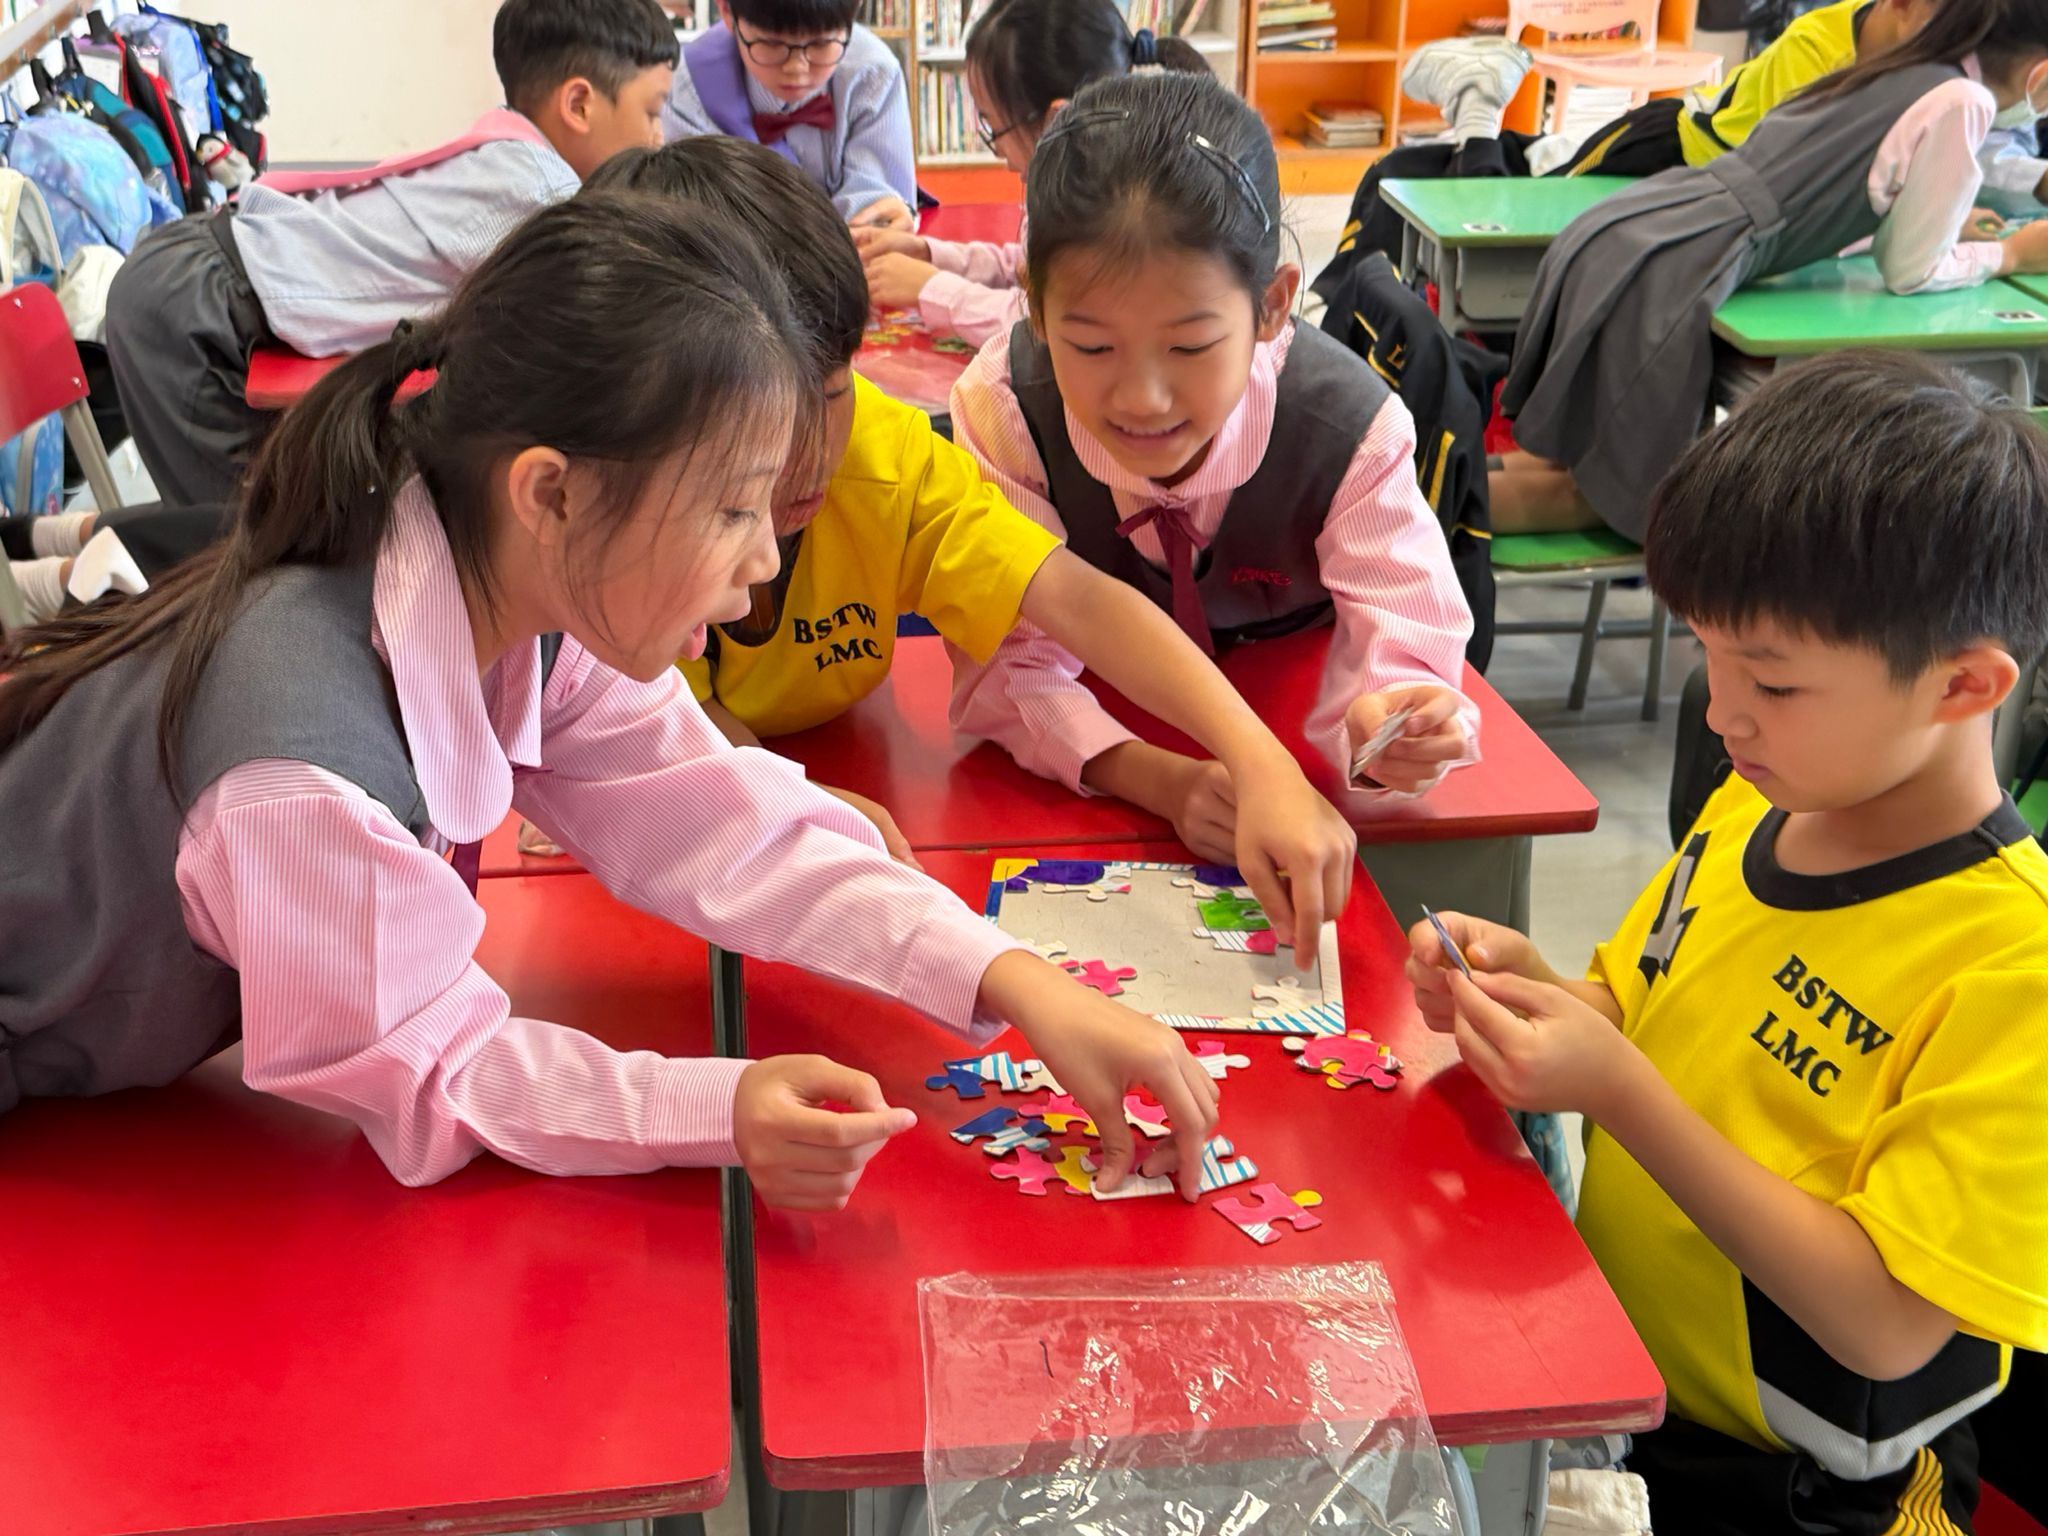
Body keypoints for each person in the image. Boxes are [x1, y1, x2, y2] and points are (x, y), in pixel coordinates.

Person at [0, 193, 1224, 1205]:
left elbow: (728, 821)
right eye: (732, 509)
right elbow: (431, 1068)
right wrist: (716, 1107)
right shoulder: (300, 773)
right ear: (553, 493)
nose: (761, 565)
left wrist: (1018, 980)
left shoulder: (514, 587)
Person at [1411, 350, 2048, 1536]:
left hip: (1811, 1491)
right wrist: (1524, 995)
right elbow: (1636, 1009)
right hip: (1625, 1390)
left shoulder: (2012, 966)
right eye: (1704, 650)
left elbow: (1882, 1325)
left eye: (1773, 682)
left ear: (1962, 685)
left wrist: (1616, 1088)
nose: (1718, 712)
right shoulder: (1754, 802)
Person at [585, 138, 1359, 907]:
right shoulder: (613, 513)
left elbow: (1074, 597)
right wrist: (783, 795)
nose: (805, 453)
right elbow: (662, 724)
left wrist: (1260, 762)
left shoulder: (884, 458)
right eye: (752, 421)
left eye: (829, 393)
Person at [949, 71, 1479, 858]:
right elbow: (1008, 661)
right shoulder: (1005, 409)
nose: (1143, 399)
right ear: (1034, 305)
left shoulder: (1349, 429)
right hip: (1081, 780)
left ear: (1273, 305)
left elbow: (1406, 630)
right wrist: (1161, 780)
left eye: (1191, 346)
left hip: (1303, 767)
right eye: (1091, 346)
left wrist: (1395, 720)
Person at [1500, 0, 2048, 538]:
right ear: (2040, 78)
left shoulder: (1904, 64)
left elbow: (1828, 192)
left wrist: (1944, 221)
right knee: (1615, 500)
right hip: (1681, 259)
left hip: (1648, 224)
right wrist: (2013, 255)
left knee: (1565, 465)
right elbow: (1910, 270)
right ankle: (1453, 510)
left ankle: (1450, 484)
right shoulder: (1964, 100)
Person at [103, 0, 676, 509]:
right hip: (195, 305)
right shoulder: (544, 194)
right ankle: (74, 558)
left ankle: (71, 546)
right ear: (578, 103)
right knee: (232, 550)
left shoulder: (509, 151)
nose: (659, 139)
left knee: (262, 528)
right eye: (652, 113)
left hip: (205, 274)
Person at [1315, 0, 1937, 296]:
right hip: (1666, 147)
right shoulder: (1819, 46)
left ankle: (1484, 109)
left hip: (1700, 184)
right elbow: (1776, 175)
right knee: (1512, 212)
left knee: (1537, 172)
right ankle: (1479, 104)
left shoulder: (1916, 76)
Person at [854, 0, 1209, 344]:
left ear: (1057, 119)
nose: (997, 150)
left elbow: (1045, 327)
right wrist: (930, 255)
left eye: (995, 126)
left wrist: (931, 288)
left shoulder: (1125, 209)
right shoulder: (1077, 179)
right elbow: (1027, 267)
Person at [662, 0, 917, 227]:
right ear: (727, 11)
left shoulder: (873, 73)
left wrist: (878, 219)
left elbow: (877, 200)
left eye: (820, 44)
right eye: (772, 43)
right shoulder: (688, 85)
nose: (796, 68)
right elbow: (701, 218)